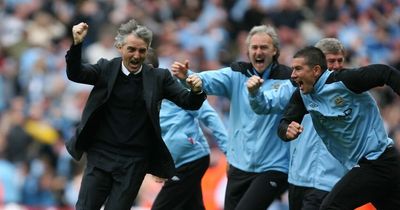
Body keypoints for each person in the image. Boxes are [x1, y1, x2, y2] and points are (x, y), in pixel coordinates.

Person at [64, 19, 207, 210]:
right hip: (101, 157)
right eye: (131, 49)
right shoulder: (106, 69)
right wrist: (77, 44)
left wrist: (196, 91)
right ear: (120, 47)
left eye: (142, 51)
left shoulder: (159, 77)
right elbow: (76, 73)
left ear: (147, 50)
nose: (136, 55)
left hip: (133, 164)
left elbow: (188, 102)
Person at [171, 24, 291, 210]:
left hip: (273, 167)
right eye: (254, 47)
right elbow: (208, 79)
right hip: (239, 164)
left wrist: (255, 93)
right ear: (248, 50)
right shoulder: (236, 74)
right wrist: (188, 77)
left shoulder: (288, 80)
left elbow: (267, 105)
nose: (258, 52)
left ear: (274, 50)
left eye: (264, 47)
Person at [277, 46, 400, 209]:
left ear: (315, 70)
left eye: (298, 69)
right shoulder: (303, 95)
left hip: (377, 161)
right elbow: (284, 123)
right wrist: (287, 130)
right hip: (376, 165)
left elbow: (385, 73)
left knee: (330, 207)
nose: (292, 75)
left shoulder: (345, 81)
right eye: (293, 69)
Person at [247, 38, 349, 210]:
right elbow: (265, 105)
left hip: (330, 181)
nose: (337, 66)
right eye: (332, 61)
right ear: (317, 64)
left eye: (340, 60)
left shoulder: (350, 90)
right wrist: (254, 93)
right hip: (298, 178)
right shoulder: (295, 87)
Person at [144, 48, 228, 210]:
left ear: (154, 70)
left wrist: (228, 150)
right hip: (176, 164)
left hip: (192, 158)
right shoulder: (140, 99)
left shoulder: (174, 88)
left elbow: (208, 115)